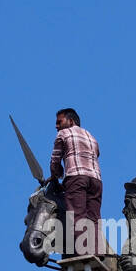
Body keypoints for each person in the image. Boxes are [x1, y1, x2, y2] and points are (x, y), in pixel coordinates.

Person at [48, 108, 102, 257]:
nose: (56, 126)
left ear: (71, 121)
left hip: (76, 178)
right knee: (94, 218)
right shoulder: (91, 137)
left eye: (59, 122)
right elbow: (96, 153)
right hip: (96, 180)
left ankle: (83, 251)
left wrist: (55, 177)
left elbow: (55, 161)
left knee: (76, 216)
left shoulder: (64, 134)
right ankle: (98, 252)